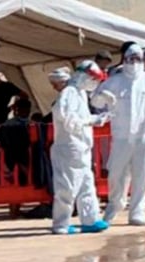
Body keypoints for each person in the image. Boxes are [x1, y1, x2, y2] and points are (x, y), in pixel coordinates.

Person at [93, 43, 145, 226]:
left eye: (137, 59)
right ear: (124, 59)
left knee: (142, 174)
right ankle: (115, 204)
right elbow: (96, 101)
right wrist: (104, 96)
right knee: (116, 173)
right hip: (121, 136)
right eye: (130, 59)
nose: (133, 62)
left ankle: (138, 210)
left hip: (144, 135)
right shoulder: (115, 80)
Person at [48, 63, 111, 236]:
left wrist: (98, 118)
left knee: (87, 185)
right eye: (93, 79)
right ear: (84, 77)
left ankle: (90, 220)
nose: (95, 83)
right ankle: (61, 223)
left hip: (82, 147)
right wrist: (92, 121)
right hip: (69, 147)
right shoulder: (69, 94)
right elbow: (70, 122)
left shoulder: (80, 93)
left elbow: (81, 118)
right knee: (67, 187)